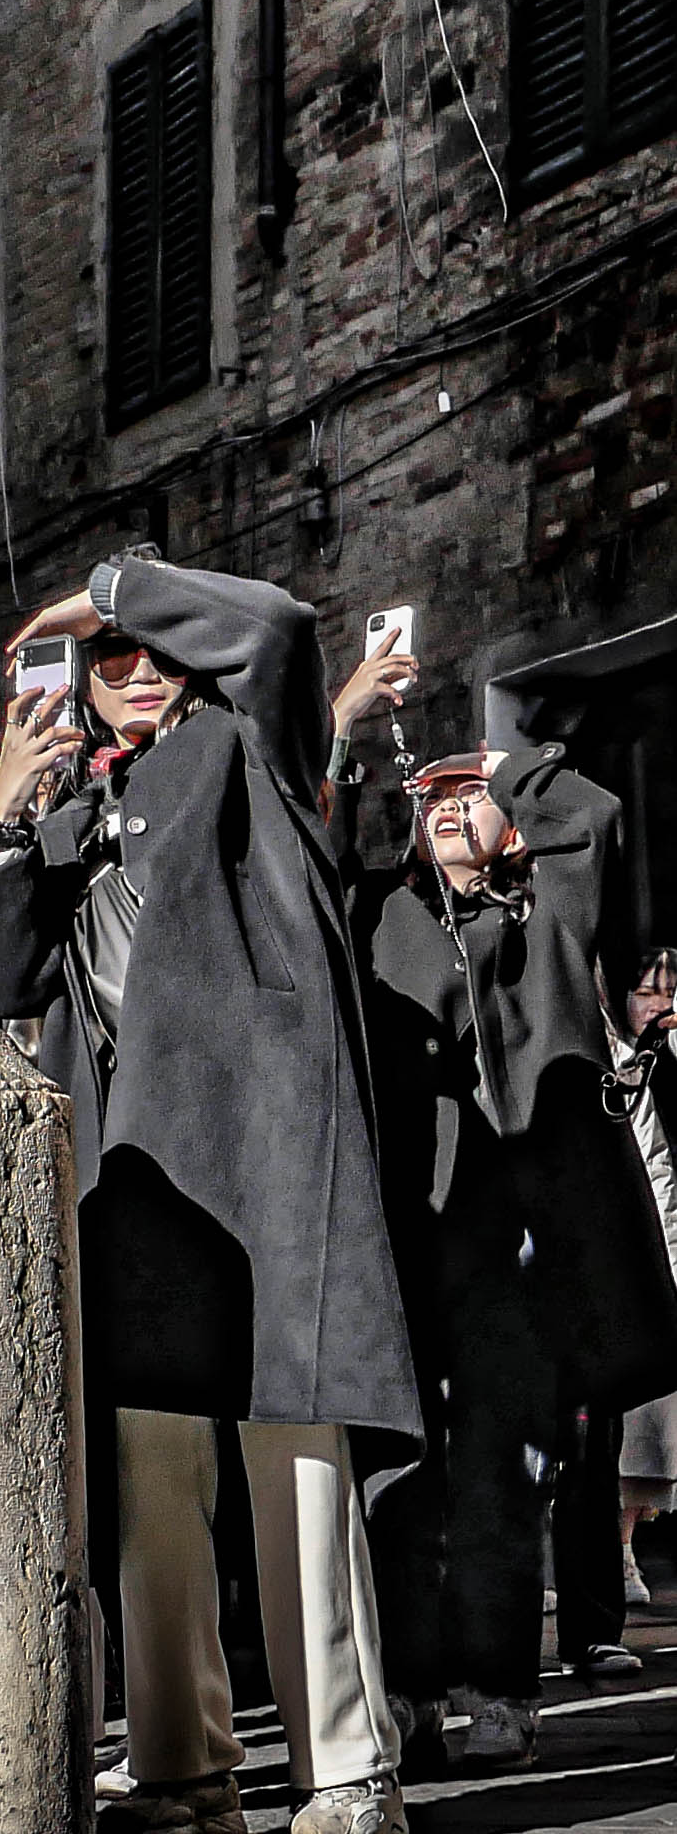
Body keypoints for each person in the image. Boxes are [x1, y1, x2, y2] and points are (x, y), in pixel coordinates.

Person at [0, 547, 419, 1834]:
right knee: (153, 1480)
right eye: (109, 664)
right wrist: (2, 805)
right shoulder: (64, 811)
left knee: (298, 1462)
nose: (135, 669)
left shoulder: (246, 744)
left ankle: (344, 1767)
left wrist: (98, 596)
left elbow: (271, 624)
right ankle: (181, 1767)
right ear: (83, 697)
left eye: (152, 649)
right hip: (138, 1182)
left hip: (269, 1150)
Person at [331, 657, 677, 1771]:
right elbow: (314, 849)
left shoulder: (555, 916)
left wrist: (505, 775)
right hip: (414, 1231)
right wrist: (351, 734)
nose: (442, 809)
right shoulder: (384, 912)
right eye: (425, 797)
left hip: (525, 1256)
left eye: (460, 796)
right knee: (405, 1473)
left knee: (502, 1474)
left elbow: (596, 812)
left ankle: (497, 1681)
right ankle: (411, 1684)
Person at [612, 947, 677, 1604]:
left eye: (670, 991)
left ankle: (627, 1545)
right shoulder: (615, 1060)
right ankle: (619, 1553)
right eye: (646, 991)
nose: (657, 1004)